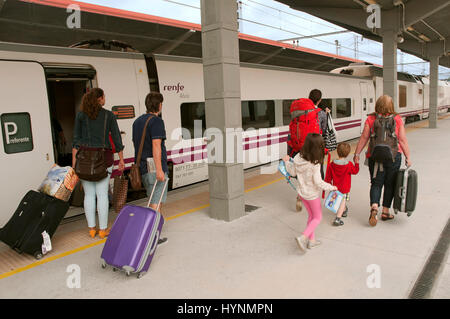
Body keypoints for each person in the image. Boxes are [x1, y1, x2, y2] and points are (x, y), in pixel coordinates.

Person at [72, 88, 125, 239]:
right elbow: (116, 139)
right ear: (100, 99)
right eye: (104, 96)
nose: (105, 99)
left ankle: (91, 229)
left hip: (83, 160)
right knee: (102, 195)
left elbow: (76, 141)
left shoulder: (81, 116)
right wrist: (121, 159)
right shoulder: (108, 115)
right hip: (104, 159)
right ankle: (103, 230)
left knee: (89, 195)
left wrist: (74, 164)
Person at [353, 95, 411, 227]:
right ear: (391, 106)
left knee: (376, 183)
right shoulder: (397, 119)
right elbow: (402, 140)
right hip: (393, 157)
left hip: (374, 156)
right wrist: (408, 157)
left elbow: (364, 138)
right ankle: (385, 211)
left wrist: (357, 154)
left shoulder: (371, 118)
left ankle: (374, 207)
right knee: (390, 184)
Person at [283, 133, 337, 253]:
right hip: (312, 195)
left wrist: (287, 162)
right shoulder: (315, 164)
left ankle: (311, 241)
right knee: (318, 217)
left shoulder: (298, 158)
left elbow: (292, 172)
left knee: (311, 217)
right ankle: (303, 237)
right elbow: (318, 182)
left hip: (302, 193)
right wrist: (332, 187)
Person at [132, 92, 169, 244]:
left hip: (143, 166)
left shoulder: (137, 122)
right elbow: (156, 145)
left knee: (155, 197)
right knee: (155, 200)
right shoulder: (156, 122)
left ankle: (156, 228)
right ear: (159, 105)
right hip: (154, 165)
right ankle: (153, 236)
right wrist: (159, 169)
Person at [324, 142, 359, 226]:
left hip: (336, 187)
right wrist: (357, 163)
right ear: (347, 154)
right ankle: (338, 218)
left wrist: (328, 185)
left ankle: (343, 210)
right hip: (345, 188)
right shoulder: (349, 165)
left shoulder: (332, 164)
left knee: (339, 201)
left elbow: (328, 176)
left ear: (337, 152)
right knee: (342, 202)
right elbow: (355, 171)